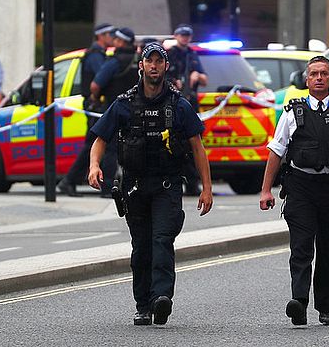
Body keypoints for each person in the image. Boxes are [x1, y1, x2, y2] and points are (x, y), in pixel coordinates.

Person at [87, 41, 214, 326]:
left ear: (166, 67)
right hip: (134, 187)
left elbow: (197, 147)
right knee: (141, 247)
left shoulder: (179, 105)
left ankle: (161, 298)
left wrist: (206, 188)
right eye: (149, 61)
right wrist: (94, 166)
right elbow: (100, 140)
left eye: (159, 61)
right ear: (141, 66)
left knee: (162, 241)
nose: (154, 66)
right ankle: (143, 304)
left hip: (167, 186)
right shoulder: (124, 104)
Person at [259, 55, 329, 327]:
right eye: (314, 74)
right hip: (301, 187)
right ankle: (299, 302)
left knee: (327, 248)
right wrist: (265, 191)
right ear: (306, 80)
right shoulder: (291, 112)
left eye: (324, 74)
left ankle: (326, 308)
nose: (319, 78)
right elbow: (276, 150)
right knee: (302, 246)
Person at [58, 23, 117, 196]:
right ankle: (70, 181)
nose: (111, 38)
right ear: (100, 36)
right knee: (95, 145)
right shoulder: (95, 56)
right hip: (96, 106)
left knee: (92, 145)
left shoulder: (99, 54)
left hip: (96, 106)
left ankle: (69, 181)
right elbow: (101, 79)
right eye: (108, 35)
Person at [83, 27, 139, 197]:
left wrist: (95, 97)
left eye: (116, 39)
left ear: (120, 42)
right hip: (137, 110)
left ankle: (107, 187)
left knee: (110, 148)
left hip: (115, 109)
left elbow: (95, 85)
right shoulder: (138, 60)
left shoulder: (114, 61)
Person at [165, 23, 208, 196]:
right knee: (174, 143)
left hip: (190, 102)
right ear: (175, 36)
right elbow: (161, 77)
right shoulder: (170, 54)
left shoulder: (192, 55)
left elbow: (205, 79)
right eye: (182, 35)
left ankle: (192, 182)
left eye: (187, 35)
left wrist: (197, 76)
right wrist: (174, 82)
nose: (185, 38)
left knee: (194, 143)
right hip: (173, 102)